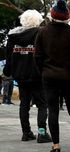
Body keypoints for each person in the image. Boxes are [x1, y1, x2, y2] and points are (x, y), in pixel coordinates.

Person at [34, 0, 70, 152]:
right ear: (67, 17)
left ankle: (56, 147)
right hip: (67, 77)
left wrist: (44, 71)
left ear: (52, 15)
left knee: (53, 111)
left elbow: (37, 57)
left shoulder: (42, 32)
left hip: (49, 77)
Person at [3, 9, 52, 143]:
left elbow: (9, 57)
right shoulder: (41, 34)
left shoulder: (13, 37)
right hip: (37, 75)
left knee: (24, 104)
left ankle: (26, 133)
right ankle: (42, 133)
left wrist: (7, 71)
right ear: (37, 21)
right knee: (42, 104)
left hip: (20, 75)